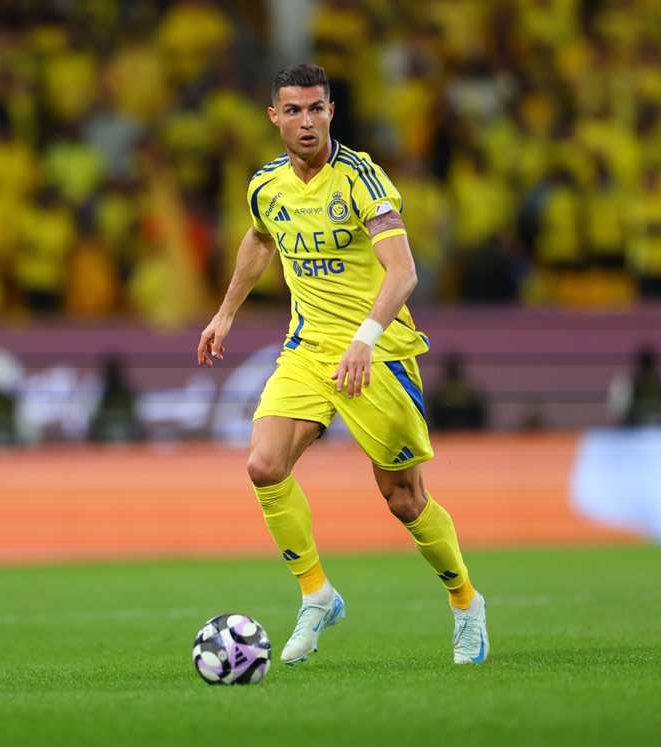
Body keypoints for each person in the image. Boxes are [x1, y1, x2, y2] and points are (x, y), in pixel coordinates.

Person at [196, 64, 487, 666]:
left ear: (332, 113)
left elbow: (404, 270)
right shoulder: (266, 185)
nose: (307, 121)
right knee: (263, 464)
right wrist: (225, 313)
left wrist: (365, 338)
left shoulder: (360, 179)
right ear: (274, 117)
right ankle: (316, 593)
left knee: (404, 499)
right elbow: (259, 238)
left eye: (317, 110)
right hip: (307, 349)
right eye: (294, 111)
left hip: (376, 352)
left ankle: (466, 603)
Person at [428, 354, 489, 431]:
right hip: (448, 428)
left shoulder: (469, 390)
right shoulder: (441, 391)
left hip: (461, 427)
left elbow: (479, 412)